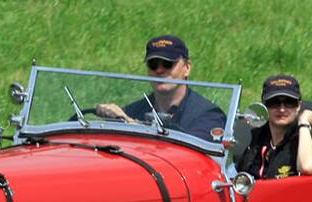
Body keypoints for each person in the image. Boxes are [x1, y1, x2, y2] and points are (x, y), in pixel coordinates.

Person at [96, 35, 226, 142]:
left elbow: (188, 149)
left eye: (168, 64)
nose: (159, 70)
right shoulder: (132, 111)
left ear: (186, 68)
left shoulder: (209, 115)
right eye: (153, 65)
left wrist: (130, 124)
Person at [237, 75, 312, 178]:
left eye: (289, 103)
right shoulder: (257, 142)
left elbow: (307, 168)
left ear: (298, 106)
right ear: (264, 105)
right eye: (274, 102)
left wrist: (304, 123)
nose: (282, 109)